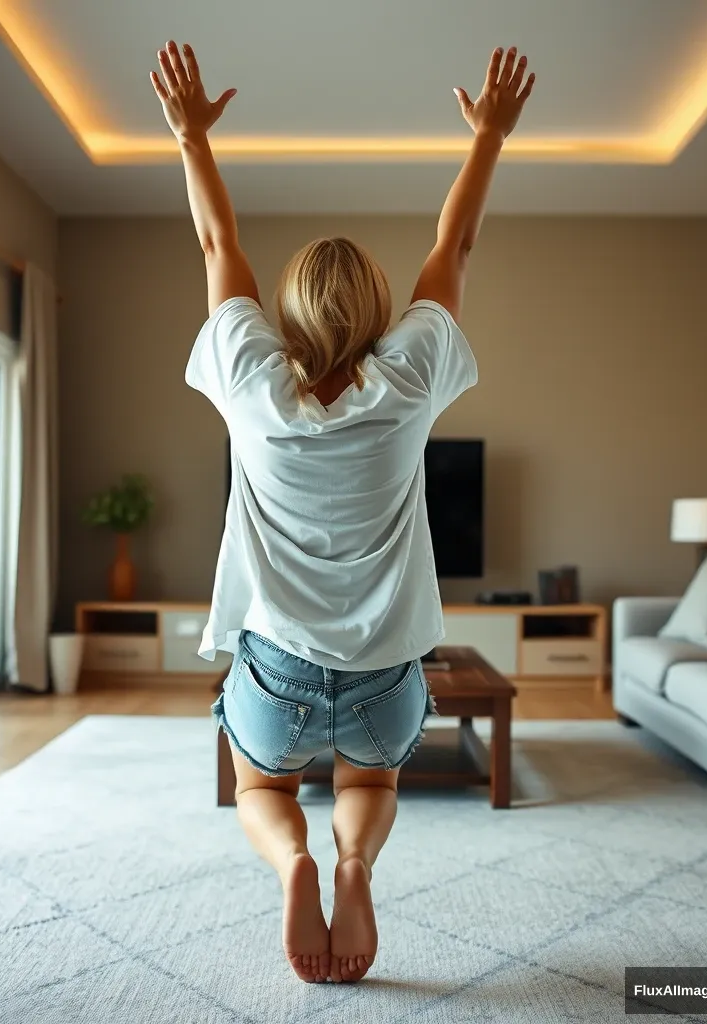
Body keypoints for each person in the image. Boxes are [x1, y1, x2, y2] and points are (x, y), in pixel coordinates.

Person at [150, 40, 534, 985]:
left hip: (276, 669)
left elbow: (214, 244)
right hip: (383, 676)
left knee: (259, 783)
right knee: (371, 777)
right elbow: (458, 244)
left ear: (285, 313)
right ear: (378, 311)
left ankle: (297, 863)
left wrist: (194, 137)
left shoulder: (249, 378)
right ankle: (355, 860)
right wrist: (487, 137)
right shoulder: (407, 379)